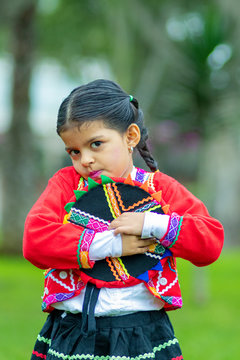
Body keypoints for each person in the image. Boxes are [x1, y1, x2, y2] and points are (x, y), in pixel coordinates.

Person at [23, 79, 224, 360]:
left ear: (130, 136)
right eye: (74, 152)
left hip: (142, 334)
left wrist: (152, 224)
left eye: (96, 144)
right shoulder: (65, 185)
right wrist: (111, 245)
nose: (86, 160)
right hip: (72, 334)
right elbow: (35, 241)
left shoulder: (160, 190)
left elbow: (210, 242)